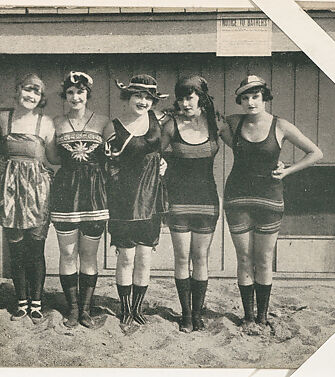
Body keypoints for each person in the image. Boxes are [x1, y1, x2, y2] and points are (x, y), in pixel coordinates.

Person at [221, 75, 323, 327]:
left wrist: (287, 170)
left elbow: (316, 152)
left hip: (269, 198)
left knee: (264, 258)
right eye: (244, 98)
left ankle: (262, 316)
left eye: (255, 96)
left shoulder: (281, 125)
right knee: (244, 257)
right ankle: (247, 316)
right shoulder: (233, 123)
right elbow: (206, 129)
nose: (250, 102)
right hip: (237, 198)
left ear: (264, 97)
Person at [0, 73, 57, 324]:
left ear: (41, 98)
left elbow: (53, 157)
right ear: (18, 90)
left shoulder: (46, 122)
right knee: (16, 247)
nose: (30, 96)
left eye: (36, 93)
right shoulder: (2, 118)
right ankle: (21, 301)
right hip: (10, 188)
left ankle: (37, 302)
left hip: (38, 188)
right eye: (27, 90)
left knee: (35, 246)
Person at [105, 74, 169, 325]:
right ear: (128, 97)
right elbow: (108, 165)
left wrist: (164, 163)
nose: (142, 101)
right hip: (123, 201)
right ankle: (124, 308)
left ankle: (138, 309)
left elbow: (173, 147)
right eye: (138, 96)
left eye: (148, 97)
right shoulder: (113, 126)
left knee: (144, 256)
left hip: (151, 200)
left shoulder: (160, 121)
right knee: (126, 257)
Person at [160, 75, 221, 332]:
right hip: (179, 201)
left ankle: (198, 314)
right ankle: (185, 314)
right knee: (182, 258)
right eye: (181, 98)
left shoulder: (216, 124)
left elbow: (246, 145)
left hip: (207, 201)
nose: (185, 103)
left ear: (202, 98)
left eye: (190, 97)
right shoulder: (171, 125)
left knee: (201, 258)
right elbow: (153, 153)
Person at [51, 71, 110, 328]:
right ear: (65, 95)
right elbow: (53, 158)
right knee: (67, 252)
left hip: (94, 195)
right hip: (66, 193)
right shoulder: (56, 122)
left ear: (88, 94)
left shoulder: (104, 122)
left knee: (88, 255)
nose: (76, 97)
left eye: (81, 92)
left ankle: (86, 309)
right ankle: (72, 309)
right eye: (71, 92)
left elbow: (116, 156)